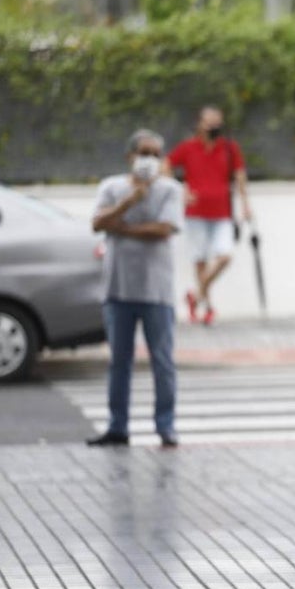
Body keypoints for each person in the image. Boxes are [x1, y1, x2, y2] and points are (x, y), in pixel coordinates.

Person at [86, 129, 184, 449]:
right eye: (144, 152)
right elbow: (98, 223)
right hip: (118, 291)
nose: (149, 160)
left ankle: (166, 426)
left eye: (156, 154)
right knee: (119, 362)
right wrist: (130, 201)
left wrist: (123, 228)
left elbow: (164, 229)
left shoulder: (170, 189)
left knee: (163, 361)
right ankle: (118, 427)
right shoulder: (111, 187)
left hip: (157, 293)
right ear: (130, 156)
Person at [164, 105, 252, 325]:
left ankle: (195, 295)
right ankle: (208, 306)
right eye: (210, 122)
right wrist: (180, 190)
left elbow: (239, 175)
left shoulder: (230, 148)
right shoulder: (188, 147)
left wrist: (245, 204)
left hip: (222, 212)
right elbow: (165, 165)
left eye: (217, 123)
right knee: (200, 261)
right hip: (195, 213)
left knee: (224, 256)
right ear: (200, 124)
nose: (214, 127)